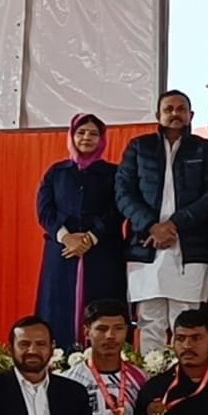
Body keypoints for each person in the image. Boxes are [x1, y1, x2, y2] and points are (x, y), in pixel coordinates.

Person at [115, 89, 208, 353]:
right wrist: (152, 226)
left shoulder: (205, 149)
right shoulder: (139, 147)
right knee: (150, 320)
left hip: (190, 247)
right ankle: (151, 373)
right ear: (158, 115)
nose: (175, 114)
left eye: (181, 109)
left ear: (191, 115)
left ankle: (185, 374)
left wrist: (173, 225)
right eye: (169, 109)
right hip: (146, 245)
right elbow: (123, 193)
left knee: (187, 321)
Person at [35, 113, 126, 351]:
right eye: (81, 132)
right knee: (57, 305)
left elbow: (118, 209)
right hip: (61, 251)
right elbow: (45, 211)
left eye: (93, 134)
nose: (87, 137)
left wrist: (90, 238)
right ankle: (59, 358)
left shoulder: (114, 173)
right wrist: (66, 237)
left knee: (103, 303)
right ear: (72, 136)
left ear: (101, 139)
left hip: (103, 250)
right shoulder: (56, 172)